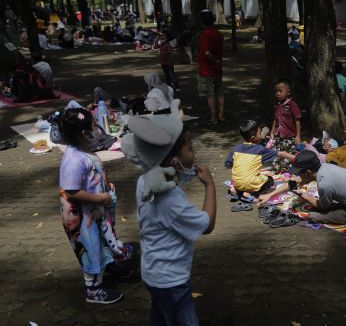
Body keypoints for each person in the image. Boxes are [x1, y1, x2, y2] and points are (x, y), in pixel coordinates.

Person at [121, 108, 217, 325]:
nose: (194, 155)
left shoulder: (145, 179)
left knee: (161, 314)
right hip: (171, 280)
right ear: (174, 162)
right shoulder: (171, 198)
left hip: (152, 271)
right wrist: (210, 185)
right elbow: (207, 224)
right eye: (191, 149)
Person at [58, 108, 134, 304]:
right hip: (83, 217)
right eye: (94, 126)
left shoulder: (83, 150)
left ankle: (109, 264)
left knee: (102, 241)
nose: (98, 129)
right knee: (91, 249)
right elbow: (72, 191)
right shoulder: (74, 159)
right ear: (84, 134)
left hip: (94, 211)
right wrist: (100, 198)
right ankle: (93, 288)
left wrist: (105, 187)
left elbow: (91, 176)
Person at [288, 150, 346, 224]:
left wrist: (303, 195)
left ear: (307, 173)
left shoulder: (324, 185)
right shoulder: (326, 166)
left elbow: (323, 207)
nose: (299, 176)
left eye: (299, 174)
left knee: (313, 215)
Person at [225, 120, 295, 202]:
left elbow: (228, 165)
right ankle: (250, 194)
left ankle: (235, 189)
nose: (261, 135)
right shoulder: (260, 149)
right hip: (250, 183)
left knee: (244, 179)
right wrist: (295, 157)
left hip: (237, 182)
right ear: (253, 138)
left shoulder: (236, 148)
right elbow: (280, 154)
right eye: (259, 133)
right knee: (270, 180)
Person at [197, 9, 225, 125]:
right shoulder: (218, 33)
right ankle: (221, 115)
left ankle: (213, 117)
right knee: (220, 92)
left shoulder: (205, 35)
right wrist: (218, 61)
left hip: (207, 69)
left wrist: (215, 60)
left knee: (211, 94)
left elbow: (207, 53)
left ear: (202, 21)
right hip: (218, 69)